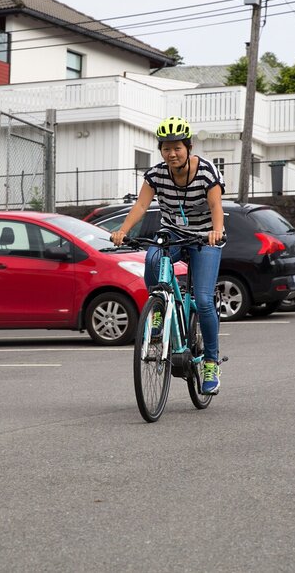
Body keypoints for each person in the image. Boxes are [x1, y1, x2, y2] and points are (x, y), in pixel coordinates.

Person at [110, 116, 226, 394]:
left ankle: (211, 363)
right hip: (172, 233)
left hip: (204, 238)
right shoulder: (156, 174)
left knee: (204, 301)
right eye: (166, 148)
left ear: (188, 147)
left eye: (177, 148)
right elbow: (141, 205)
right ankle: (159, 309)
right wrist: (122, 230)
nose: (171, 154)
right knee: (152, 258)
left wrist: (217, 231)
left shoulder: (207, 171)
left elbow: (216, 206)